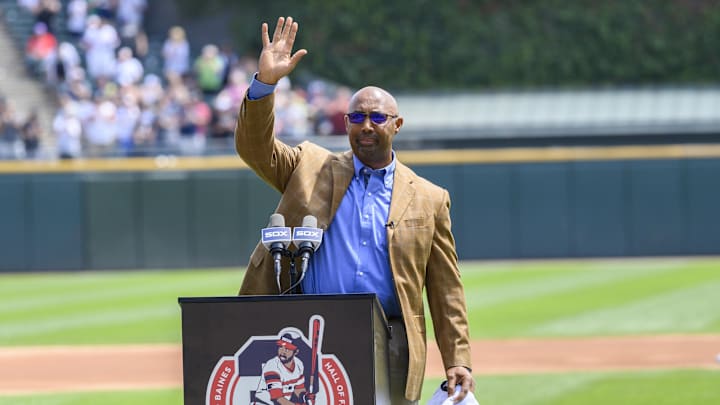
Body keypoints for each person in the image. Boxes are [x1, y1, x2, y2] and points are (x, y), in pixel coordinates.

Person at [236, 16, 475, 404]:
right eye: (357, 117)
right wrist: (265, 84)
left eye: (377, 117)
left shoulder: (430, 198)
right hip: (309, 335)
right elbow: (254, 149)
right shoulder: (310, 168)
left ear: (396, 124)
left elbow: (446, 288)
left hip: (389, 341)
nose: (366, 125)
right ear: (345, 123)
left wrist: (458, 358)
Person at [253, 333, 313, 405]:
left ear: (296, 352)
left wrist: (305, 397)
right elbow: (277, 398)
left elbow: (298, 389)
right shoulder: (272, 366)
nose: (283, 351)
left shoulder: (298, 364)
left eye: (287, 349)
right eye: (281, 347)